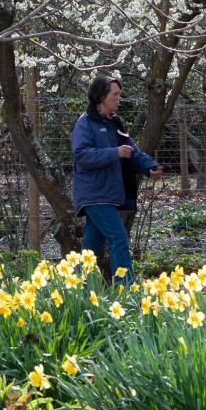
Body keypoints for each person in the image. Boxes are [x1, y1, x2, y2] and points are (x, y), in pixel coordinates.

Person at [71, 75, 162, 287]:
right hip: (94, 194)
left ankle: (74, 289)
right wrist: (114, 153)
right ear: (101, 96)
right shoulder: (85, 123)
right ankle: (126, 290)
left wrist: (150, 167)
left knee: (90, 248)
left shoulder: (114, 122)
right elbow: (82, 154)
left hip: (107, 194)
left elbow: (131, 150)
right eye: (115, 94)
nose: (119, 98)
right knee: (118, 237)